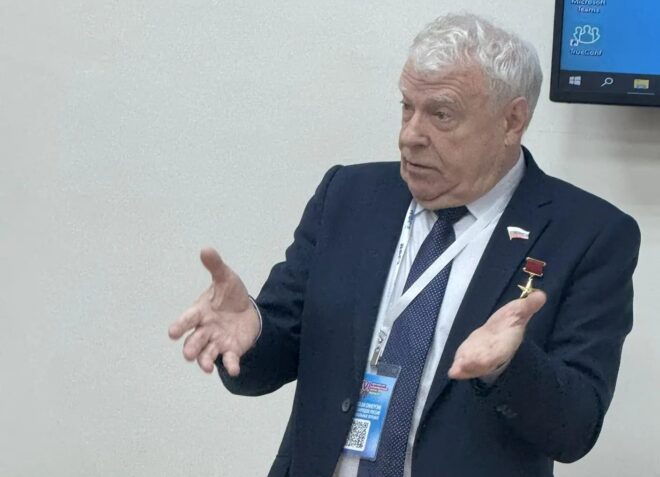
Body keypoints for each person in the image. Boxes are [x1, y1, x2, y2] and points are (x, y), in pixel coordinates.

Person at [168, 13, 640, 477]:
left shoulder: (588, 234)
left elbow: (576, 428)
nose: (410, 136)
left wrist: (509, 367)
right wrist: (252, 333)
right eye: (406, 107)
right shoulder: (348, 196)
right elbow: (276, 352)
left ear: (511, 121)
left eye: (441, 114)